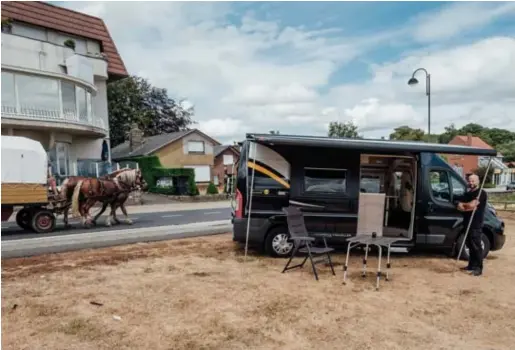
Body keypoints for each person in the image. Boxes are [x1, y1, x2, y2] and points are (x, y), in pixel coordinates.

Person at [456, 174, 488, 276]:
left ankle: (479, 268)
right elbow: (459, 207)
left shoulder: (481, 193)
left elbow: (471, 206)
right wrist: (464, 205)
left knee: (476, 246)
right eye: (470, 181)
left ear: (478, 181)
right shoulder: (468, 193)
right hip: (466, 222)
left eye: (473, 181)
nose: (471, 183)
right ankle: (471, 265)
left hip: (475, 223)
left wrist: (464, 205)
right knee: (469, 244)